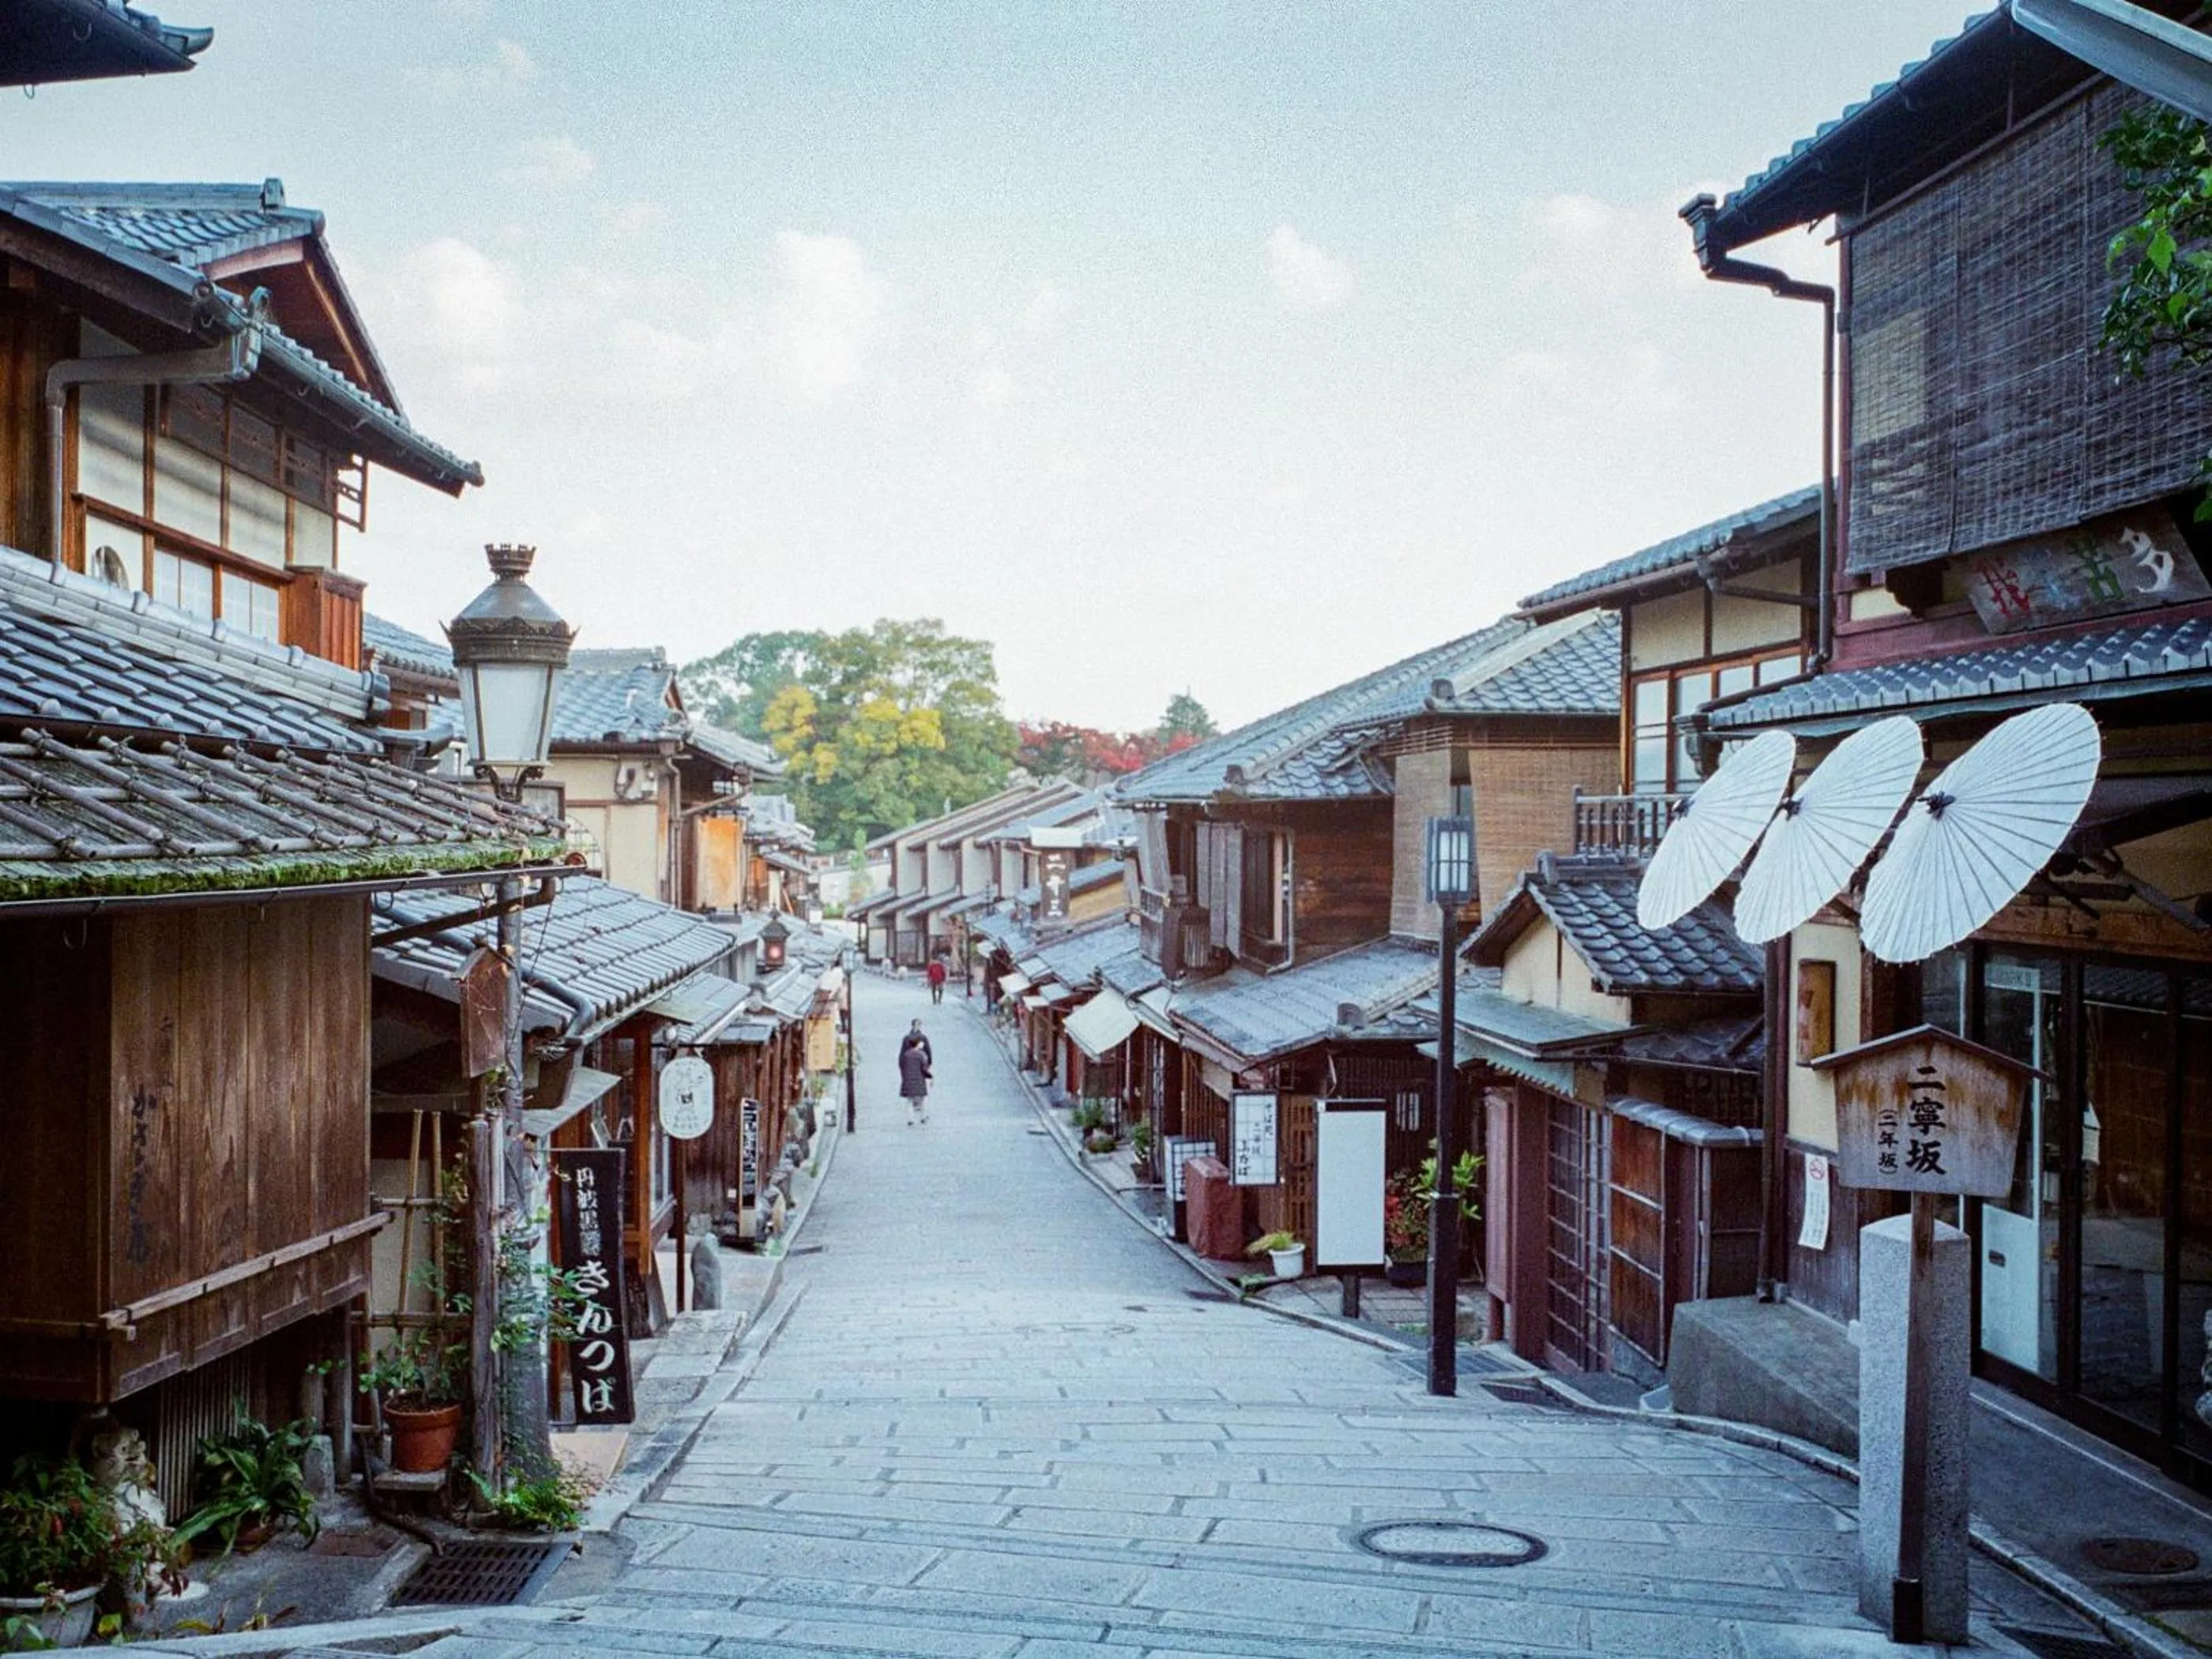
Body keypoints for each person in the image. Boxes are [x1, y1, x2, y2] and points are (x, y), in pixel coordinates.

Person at [898, 1020, 934, 1126]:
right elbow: (928, 1053)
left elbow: (901, 1057)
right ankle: (922, 1117)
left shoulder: (907, 1040)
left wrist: (903, 1071)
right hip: (919, 1071)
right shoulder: (922, 1040)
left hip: (909, 1072)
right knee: (921, 1096)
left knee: (910, 1098)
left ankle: (911, 1119)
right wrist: (928, 1071)